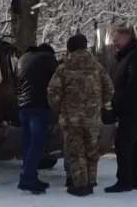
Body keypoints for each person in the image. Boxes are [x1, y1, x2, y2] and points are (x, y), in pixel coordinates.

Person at [48, 34, 113, 197]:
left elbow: (53, 92)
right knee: (92, 150)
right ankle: (91, 181)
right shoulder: (97, 66)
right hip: (93, 118)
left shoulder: (64, 67)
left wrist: (59, 109)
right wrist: (99, 103)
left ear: (70, 48)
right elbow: (110, 89)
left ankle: (80, 185)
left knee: (76, 152)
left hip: (71, 119)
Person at [106, 23, 137, 193]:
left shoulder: (136, 56)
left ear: (127, 37)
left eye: (116, 39)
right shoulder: (127, 56)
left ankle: (124, 181)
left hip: (133, 107)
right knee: (135, 143)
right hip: (132, 106)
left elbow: (134, 85)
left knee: (123, 143)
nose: (114, 43)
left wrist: (119, 104)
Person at [16, 42, 58, 193]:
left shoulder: (23, 59)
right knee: (37, 144)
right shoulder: (48, 59)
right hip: (38, 106)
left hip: (23, 107)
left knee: (28, 144)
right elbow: (57, 80)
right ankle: (28, 179)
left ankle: (30, 176)